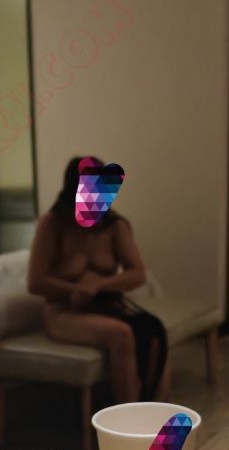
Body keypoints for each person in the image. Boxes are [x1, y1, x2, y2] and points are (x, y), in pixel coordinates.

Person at [27, 156, 169, 403]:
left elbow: (137, 273)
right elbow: (35, 282)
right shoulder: (52, 225)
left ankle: (157, 408)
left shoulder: (115, 226)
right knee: (121, 334)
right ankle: (128, 415)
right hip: (64, 311)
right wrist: (75, 289)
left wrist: (98, 285)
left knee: (155, 331)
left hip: (108, 305)